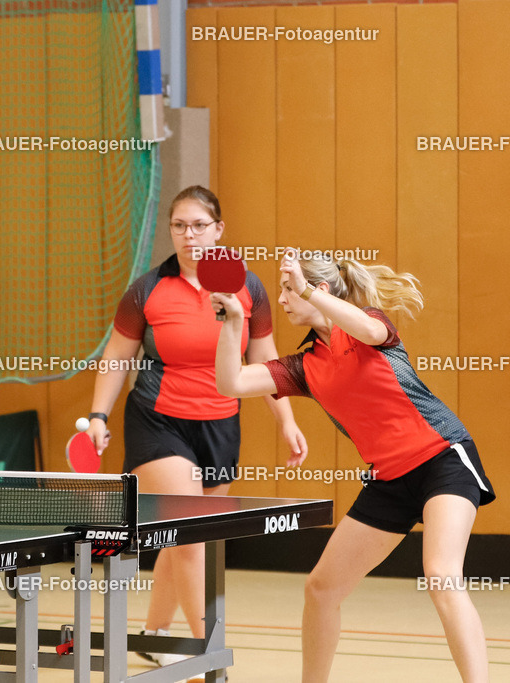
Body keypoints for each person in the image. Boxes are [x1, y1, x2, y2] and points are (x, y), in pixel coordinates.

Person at [212, 251, 495, 682]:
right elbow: (231, 383)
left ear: (320, 290)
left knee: (440, 574)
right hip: (388, 480)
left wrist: (304, 287)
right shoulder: (304, 366)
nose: (284, 298)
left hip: (443, 459)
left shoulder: (369, 325)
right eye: (285, 290)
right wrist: (233, 323)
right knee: (321, 589)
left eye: (290, 289)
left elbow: (365, 327)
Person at [87, 186, 307, 664]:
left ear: (219, 229)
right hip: (158, 422)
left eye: (199, 225)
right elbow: (117, 356)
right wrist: (100, 416)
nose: (190, 235)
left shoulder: (248, 287)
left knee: (187, 537)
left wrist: (286, 419)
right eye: (180, 226)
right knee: (189, 533)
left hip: (221, 423)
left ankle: (154, 634)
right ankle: (206, 647)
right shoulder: (146, 289)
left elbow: (265, 359)